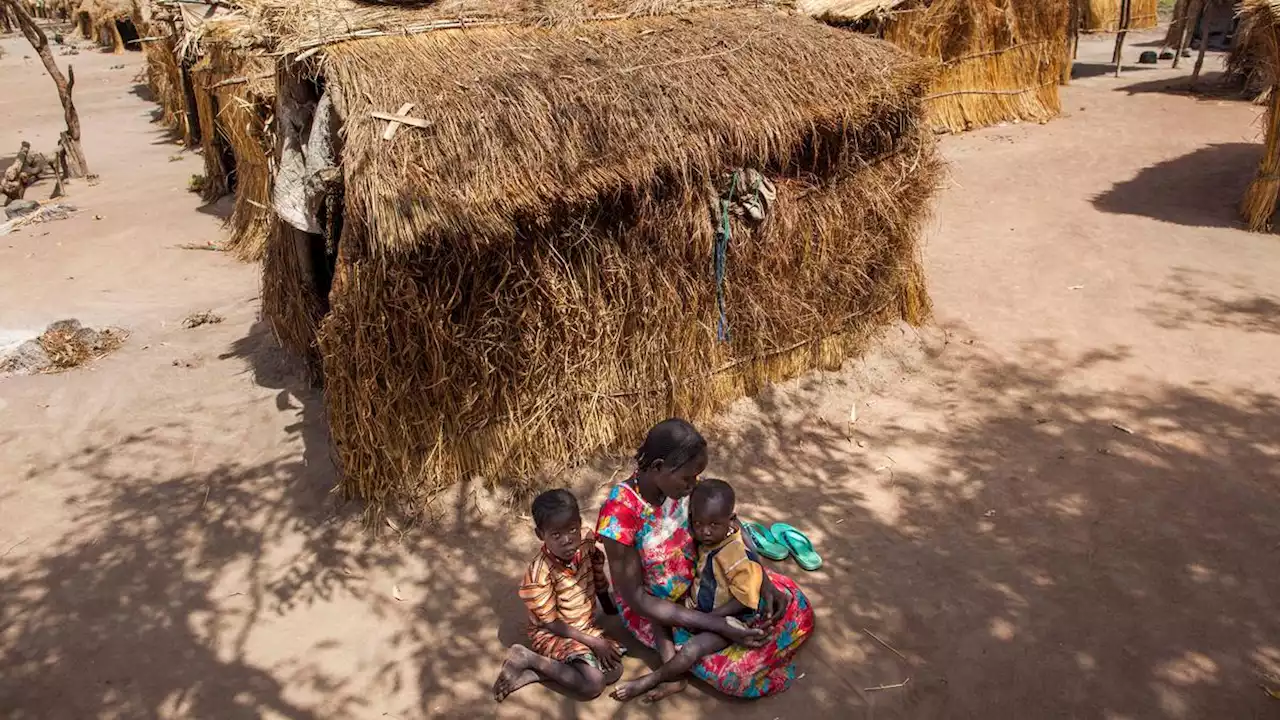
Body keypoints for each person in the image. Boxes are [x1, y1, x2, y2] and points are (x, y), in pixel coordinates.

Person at [597, 419, 815, 701]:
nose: (692, 485)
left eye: (696, 477)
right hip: (661, 612)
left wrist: (763, 580)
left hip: (711, 581)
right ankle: (674, 669)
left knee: (794, 603)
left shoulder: (684, 487)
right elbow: (638, 599)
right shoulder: (619, 515)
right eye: (687, 478)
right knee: (736, 676)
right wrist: (716, 624)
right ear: (658, 466)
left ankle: (718, 640)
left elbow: (731, 526)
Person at [610, 477, 766, 701]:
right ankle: (674, 679)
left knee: (692, 649)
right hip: (703, 607)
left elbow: (745, 599)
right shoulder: (712, 540)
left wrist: (712, 619)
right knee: (658, 613)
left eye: (714, 525)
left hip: (736, 617)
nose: (705, 532)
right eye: (698, 524)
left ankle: (651, 680)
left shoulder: (735, 554)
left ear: (731, 521)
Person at [493, 489, 625, 702]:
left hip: (583, 625)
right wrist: (593, 642)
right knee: (594, 684)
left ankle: (537, 673)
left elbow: (599, 578)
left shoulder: (587, 543)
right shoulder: (539, 574)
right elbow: (551, 623)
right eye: (556, 535)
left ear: (580, 523)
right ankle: (530, 657)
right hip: (553, 632)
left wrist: (611, 611)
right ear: (540, 535)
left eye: (573, 529)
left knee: (614, 670)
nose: (567, 540)